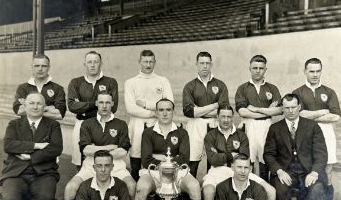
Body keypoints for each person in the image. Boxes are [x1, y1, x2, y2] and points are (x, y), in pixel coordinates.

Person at [50, 92, 136, 200]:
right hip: (90, 164)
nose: (104, 106)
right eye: (101, 102)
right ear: (96, 103)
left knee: (132, 187)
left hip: (116, 165)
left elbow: (123, 151)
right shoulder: (87, 123)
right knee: (70, 188)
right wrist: (111, 147)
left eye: (107, 103)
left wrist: (98, 149)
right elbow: (86, 150)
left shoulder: (121, 124)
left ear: (112, 104)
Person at [131, 98, 204, 200]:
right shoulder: (148, 132)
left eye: (168, 110)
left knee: (194, 187)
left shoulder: (181, 132)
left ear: (173, 111)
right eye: (161, 110)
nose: (165, 113)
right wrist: (168, 160)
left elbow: (184, 158)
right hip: (154, 172)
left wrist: (162, 158)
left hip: (177, 172)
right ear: (156, 112)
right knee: (141, 189)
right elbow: (146, 160)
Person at [202, 105, 278, 200]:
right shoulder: (210, 135)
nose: (225, 120)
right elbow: (213, 160)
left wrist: (223, 154)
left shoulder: (241, 136)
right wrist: (232, 154)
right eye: (222, 116)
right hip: (217, 171)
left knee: (271, 191)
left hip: (239, 169)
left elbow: (243, 158)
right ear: (217, 117)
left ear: (233, 118)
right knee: (208, 192)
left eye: (229, 117)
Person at [0, 92, 63, 200]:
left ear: (44, 107)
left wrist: (30, 156)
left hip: (43, 173)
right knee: (9, 198)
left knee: (47, 198)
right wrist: (37, 145)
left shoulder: (53, 125)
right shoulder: (14, 124)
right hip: (16, 173)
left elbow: (55, 149)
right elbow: (9, 145)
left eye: (39, 104)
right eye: (31, 103)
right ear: (24, 106)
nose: (35, 107)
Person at [264, 93, 328, 200]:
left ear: (299, 107)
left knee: (317, 190)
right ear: (282, 109)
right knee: (280, 189)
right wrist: (279, 171)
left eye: (293, 107)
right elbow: (269, 155)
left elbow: (321, 154)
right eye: (286, 108)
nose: (290, 111)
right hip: (287, 171)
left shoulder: (312, 126)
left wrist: (314, 172)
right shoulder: (275, 128)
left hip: (308, 172)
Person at [293, 58, 341, 200]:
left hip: (327, 137)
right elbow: (298, 114)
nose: (314, 74)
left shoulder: (329, 91)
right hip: (306, 138)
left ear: (321, 71)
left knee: (327, 177)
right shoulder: (298, 92)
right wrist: (322, 111)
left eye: (317, 71)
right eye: (311, 71)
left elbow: (335, 116)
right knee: (306, 175)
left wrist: (309, 114)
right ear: (305, 71)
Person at [124, 49, 174, 181]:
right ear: (139, 62)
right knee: (136, 163)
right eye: (145, 61)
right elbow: (130, 108)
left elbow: (169, 103)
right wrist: (155, 112)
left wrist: (145, 104)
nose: (148, 65)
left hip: (157, 126)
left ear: (155, 62)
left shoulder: (163, 81)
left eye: (151, 62)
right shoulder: (130, 82)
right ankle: (135, 196)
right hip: (137, 125)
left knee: (157, 162)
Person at [67, 51, 118, 167]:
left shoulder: (110, 82)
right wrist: (95, 104)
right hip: (81, 123)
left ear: (101, 63)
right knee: (80, 161)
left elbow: (113, 108)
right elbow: (72, 106)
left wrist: (82, 105)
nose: (93, 65)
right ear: (85, 64)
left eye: (96, 62)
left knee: (102, 161)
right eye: (89, 62)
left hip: (103, 125)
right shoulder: (76, 82)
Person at [182, 52, 229, 177]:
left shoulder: (220, 85)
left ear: (211, 64)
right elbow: (189, 111)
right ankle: (190, 191)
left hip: (214, 124)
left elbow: (223, 110)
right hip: (195, 125)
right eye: (202, 63)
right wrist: (214, 105)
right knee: (192, 160)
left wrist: (199, 110)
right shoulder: (190, 86)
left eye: (207, 63)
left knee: (214, 161)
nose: (205, 66)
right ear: (197, 65)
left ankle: (211, 191)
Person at [235, 55, 282, 180]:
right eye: (254, 67)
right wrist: (267, 112)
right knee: (247, 160)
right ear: (249, 68)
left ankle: (264, 191)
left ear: (265, 69)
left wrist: (256, 109)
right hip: (249, 126)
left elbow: (279, 110)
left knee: (265, 160)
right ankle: (248, 192)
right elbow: (242, 111)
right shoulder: (242, 88)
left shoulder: (272, 88)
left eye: (261, 68)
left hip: (267, 126)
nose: (257, 70)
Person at [13, 54, 66, 120]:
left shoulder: (58, 88)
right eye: (37, 66)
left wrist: (28, 106)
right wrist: (48, 108)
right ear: (32, 67)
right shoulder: (22, 88)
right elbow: (18, 111)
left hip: (49, 128)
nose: (40, 69)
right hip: (26, 128)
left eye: (44, 66)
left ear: (49, 68)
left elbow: (59, 115)